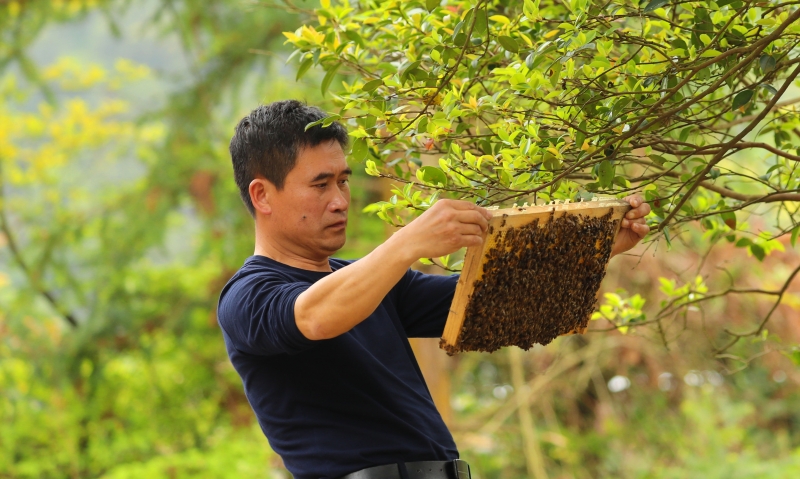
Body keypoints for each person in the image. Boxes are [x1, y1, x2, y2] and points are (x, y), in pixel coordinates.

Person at [217, 100, 651, 479]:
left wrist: (594, 247)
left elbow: (494, 298)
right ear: (262, 195)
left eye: (343, 181)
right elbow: (313, 316)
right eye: (320, 184)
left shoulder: (379, 282)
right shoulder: (245, 297)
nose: (340, 200)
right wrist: (408, 242)